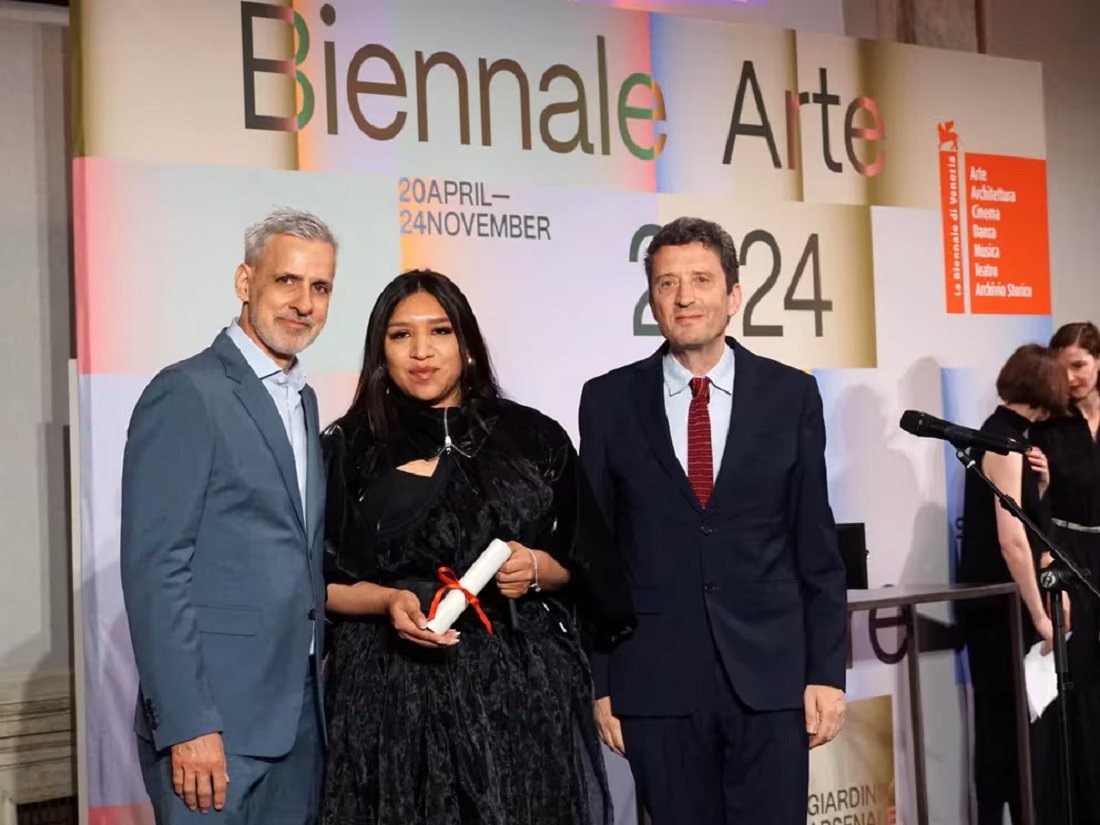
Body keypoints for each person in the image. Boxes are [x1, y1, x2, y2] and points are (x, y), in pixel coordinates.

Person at [319, 269, 634, 825]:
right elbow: (320, 583)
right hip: (392, 696)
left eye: (439, 331)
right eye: (401, 335)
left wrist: (535, 567)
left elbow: (586, 565)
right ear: (380, 351)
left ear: (466, 342)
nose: (421, 350)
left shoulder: (535, 437)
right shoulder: (349, 445)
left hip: (519, 695)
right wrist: (388, 602)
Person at [577, 216, 848, 825]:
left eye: (701, 279)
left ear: (734, 295)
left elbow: (815, 543)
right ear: (652, 300)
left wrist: (827, 673)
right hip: (655, 681)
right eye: (667, 282)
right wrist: (602, 681)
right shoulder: (608, 400)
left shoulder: (790, 395)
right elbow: (597, 554)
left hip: (772, 680)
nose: (685, 296)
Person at [120, 208, 337, 823]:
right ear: (246, 282)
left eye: (320, 287)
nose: (303, 303)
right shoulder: (188, 391)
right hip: (212, 727)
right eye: (286, 280)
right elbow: (156, 569)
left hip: (299, 718)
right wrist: (188, 722)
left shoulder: (304, 399)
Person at [954, 344, 1069, 825]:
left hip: (1005, 604)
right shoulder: (1003, 440)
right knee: (1004, 729)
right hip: (1001, 609)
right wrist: (1040, 614)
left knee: (1013, 726)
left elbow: (1027, 526)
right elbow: (1012, 541)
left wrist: (1040, 487)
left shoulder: (1011, 437)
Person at [1032, 321, 1100, 821]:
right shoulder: (1048, 427)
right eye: (1063, 368)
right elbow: (1041, 508)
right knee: (1082, 683)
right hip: (1072, 557)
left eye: (1079, 365)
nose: (1071, 377)